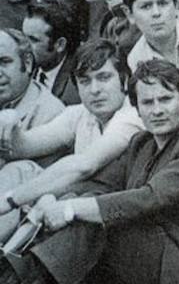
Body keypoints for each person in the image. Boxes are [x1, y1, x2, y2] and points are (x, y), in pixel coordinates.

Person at [0, 59, 179, 284]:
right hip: (152, 252)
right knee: (87, 200)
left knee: (94, 216)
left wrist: (70, 210)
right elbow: (100, 183)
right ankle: (16, 281)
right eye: (147, 103)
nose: (157, 110)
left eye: (165, 99)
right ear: (137, 109)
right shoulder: (142, 143)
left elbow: (149, 198)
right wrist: (52, 200)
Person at [0, 39, 142, 241]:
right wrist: (9, 118)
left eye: (104, 78)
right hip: (78, 204)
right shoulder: (80, 114)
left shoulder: (132, 115)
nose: (94, 89)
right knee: (21, 169)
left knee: (51, 197)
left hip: (117, 217)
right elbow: (23, 146)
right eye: (85, 81)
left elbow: (84, 165)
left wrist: (11, 199)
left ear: (124, 80)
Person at [21, 0, 80, 105]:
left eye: (33, 40)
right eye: (23, 37)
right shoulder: (25, 71)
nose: (23, 46)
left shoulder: (77, 86)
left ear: (60, 45)